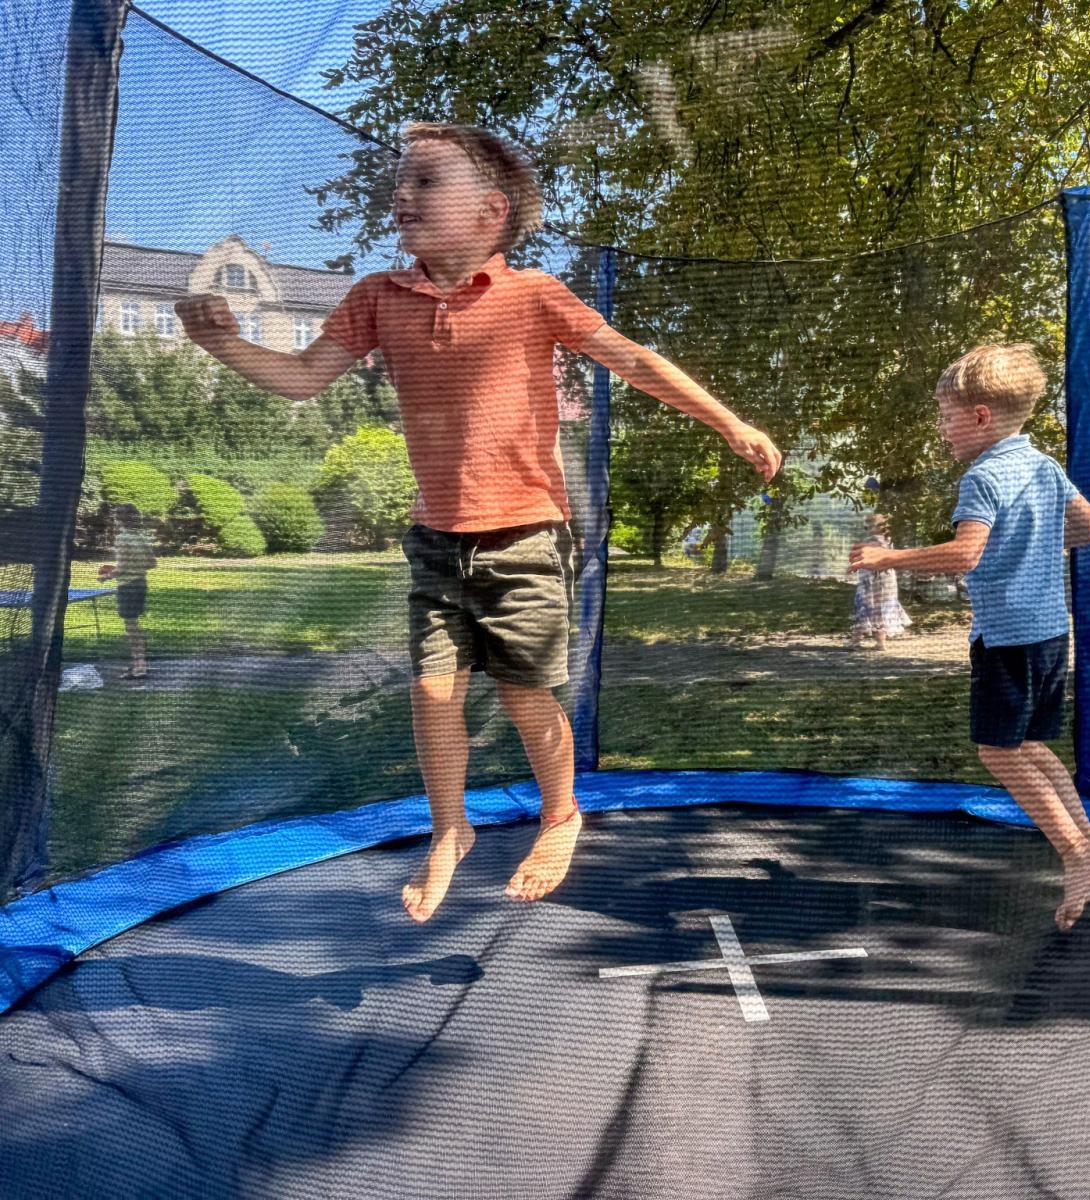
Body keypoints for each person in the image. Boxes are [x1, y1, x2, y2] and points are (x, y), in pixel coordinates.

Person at [177, 123, 781, 922]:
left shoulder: (534, 296)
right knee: (432, 694)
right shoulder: (377, 298)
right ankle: (449, 829)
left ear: (491, 210)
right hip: (436, 538)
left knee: (525, 695)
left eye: (426, 181)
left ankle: (560, 814)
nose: (402, 194)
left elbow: (633, 360)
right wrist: (220, 342)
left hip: (524, 534)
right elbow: (300, 378)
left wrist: (728, 422)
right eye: (400, 182)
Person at [849, 344, 1090, 931]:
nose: (942, 430)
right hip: (1050, 633)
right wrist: (1033, 544)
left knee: (997, 751)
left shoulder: (983, 476)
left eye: (946, 418)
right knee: (1031, 746)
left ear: (980, 416)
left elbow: (965, 554)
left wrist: (887, 557)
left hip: (1008, 637)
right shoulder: (1043, 465)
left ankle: (1078, 853)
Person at [97, 504, 155, 680]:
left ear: (118, 520)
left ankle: (140, 667)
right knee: (134, 625)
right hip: (141, 584)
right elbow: (152, 563)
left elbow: (122, 567)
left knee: (131, 628)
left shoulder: (122, 538)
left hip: (128, 587)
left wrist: (107, 576)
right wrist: (132, 566)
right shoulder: (141, 537)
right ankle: (140, 664)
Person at [850, 513, 911, 651]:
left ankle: (855, 640)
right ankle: (880, 643)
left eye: (870, 525)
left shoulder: (872, 541)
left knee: (865, 608)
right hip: (886, 579)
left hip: (873, 580)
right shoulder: (888, 541)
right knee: (880, 611)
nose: (867, 528)